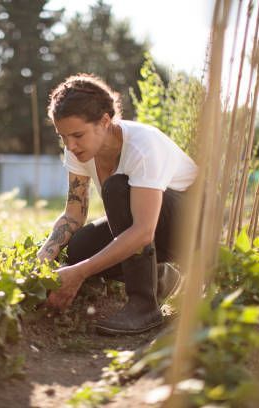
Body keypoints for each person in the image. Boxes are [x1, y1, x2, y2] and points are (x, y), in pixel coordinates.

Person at [37, 73, 198, 335]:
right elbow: (73, 214)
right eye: (63, 136)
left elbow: (144, 230)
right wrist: (42, 260)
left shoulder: (143, 146)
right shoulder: (78, 150)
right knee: (80, 247)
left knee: (116, 189)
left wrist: (79, 274)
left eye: (77, 135)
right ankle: (159, 278)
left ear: (104, 121)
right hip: (152, 227)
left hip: (193, 225)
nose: (70, 145)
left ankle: (144, 305)